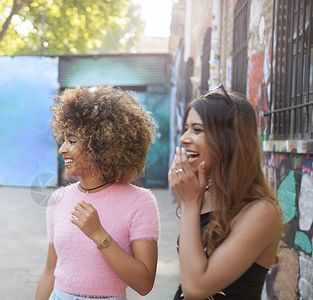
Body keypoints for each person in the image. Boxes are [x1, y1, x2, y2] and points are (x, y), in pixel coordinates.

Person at [35, 86, 160, 300]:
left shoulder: (140, 202)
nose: (62, 149)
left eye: (72, 141)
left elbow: (144, 284)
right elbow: (50, 271)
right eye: (64, 139)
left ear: (102, 145)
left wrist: (98, 234)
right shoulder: (59, 199)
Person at [168, 85, 283, 300]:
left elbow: (196, 289)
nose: (184, 138)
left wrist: (190, 204)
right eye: (186, 128)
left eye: (197, 129)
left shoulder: (261, 211)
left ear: (228, 140)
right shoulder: (206, 192)